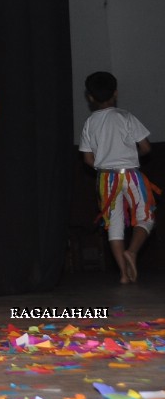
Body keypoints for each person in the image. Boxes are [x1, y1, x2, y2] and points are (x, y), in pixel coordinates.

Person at [79, 71, 155, 283]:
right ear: (116, 93)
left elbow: (87, 159)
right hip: (130, 175)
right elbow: (146, 148)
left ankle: (123, 274)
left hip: (106, 179)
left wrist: (106, 165)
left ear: (90, 97)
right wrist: (129, 156)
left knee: (114, 225)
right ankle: (131, 252)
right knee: (146, 216)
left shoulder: (89, 123)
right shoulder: (126, 117)